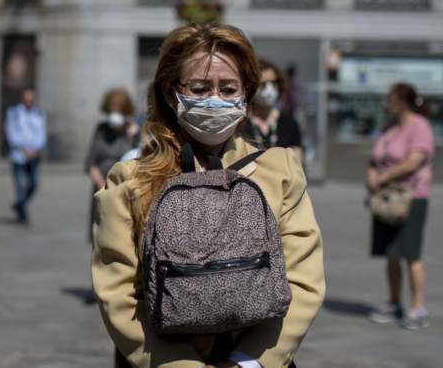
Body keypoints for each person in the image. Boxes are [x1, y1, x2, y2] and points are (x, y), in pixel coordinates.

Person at [92, 23, 325, 368]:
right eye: (199, 88)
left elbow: (303, 281)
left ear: (246, 94)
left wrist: (247, 362)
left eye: (228, 88)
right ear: (172, 94)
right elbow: (119, 294)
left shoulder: (281, 171)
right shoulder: (129, 180)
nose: (215, 99)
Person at [367, 83, 434, 330]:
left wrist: (382, 178)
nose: (388, 103)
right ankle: (393, 302)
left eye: (391, 98)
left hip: (411, 197)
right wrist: (372, 175)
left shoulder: (420, 126)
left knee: (412, 254)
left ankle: (418, 307)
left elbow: (413, 162)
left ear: (403, 101)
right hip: (386, 199)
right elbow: (375, 158)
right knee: (391, 253)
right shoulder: (389, 127)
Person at [86, 88, 138, 241]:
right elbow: (91, 161)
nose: (114, 111)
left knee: (121, 235)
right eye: (111, 108)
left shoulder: (132, 131)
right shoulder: (101, 129)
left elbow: (138, 158)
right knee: (101, 233)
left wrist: (133, 136)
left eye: (118, 108)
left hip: (124, 188)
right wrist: (101, 183)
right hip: (101, 186)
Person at [244, 59, 303, 160]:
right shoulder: (240, 124)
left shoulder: (289, 124)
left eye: (274, 83)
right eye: (263, 84)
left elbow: (297, 163)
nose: (269, 89)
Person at [5, 88, 46, 224]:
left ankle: (19, 204)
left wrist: (36, 149)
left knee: (34, 183)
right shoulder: (14, 113)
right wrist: (23, 148)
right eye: (27, 99)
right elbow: (11, 132)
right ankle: (22, 214)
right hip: (19, 154)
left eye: (31, 99)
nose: (29, 102)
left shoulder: (39, 113)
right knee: (20, 184)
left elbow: (41, 133)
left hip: (34, 155)